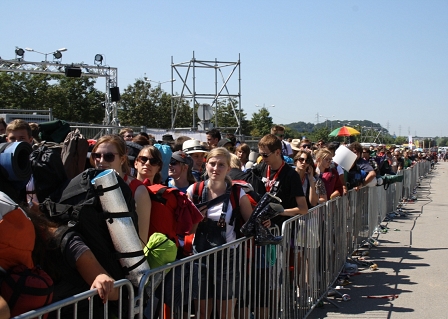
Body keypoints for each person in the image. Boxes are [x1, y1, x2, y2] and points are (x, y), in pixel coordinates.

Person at [186, 147, 253, 319]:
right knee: (202, 313)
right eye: (212, 164)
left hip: (229, 258)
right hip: (200, 257)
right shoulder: (194, 191)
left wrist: (263, 222)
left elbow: (251, 223)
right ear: (206, 165)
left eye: (221, 165)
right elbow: (186, 230)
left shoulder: (238, 193)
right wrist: (196, 220)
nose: (216, 169)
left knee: (226, 313)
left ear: (229, 169)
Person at [90, 134, 151, 243]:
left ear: (122, 159)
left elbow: (141, 240)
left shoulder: (138, 191)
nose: (101, 161)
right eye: (97, 156)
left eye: (109, 156)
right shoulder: (87, 184)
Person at [252, 134, 308, 230]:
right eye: (260, 154)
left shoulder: (291, 175)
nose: (262, 158)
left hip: (282, 230)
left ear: (277, 152)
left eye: (265, 155)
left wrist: (278, 212)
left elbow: (303, 209)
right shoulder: (259, 168)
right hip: (263, 228)